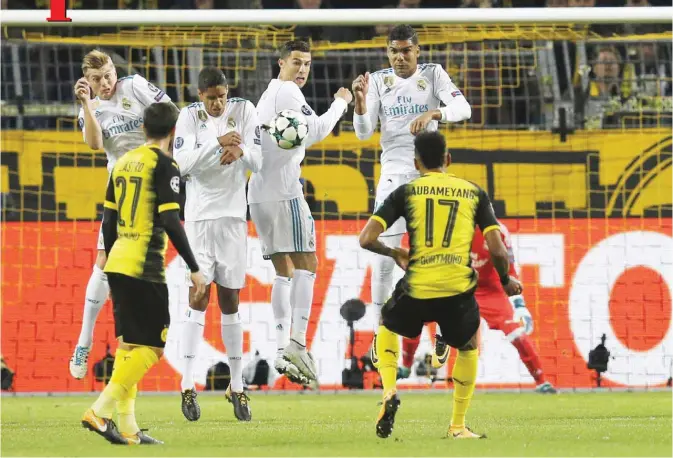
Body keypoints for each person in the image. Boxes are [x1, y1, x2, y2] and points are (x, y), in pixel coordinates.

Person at [358, 131, 522, 440]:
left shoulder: (405, 192)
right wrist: (505, 280)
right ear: (448, 160)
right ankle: (458, 426)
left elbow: (366, 238)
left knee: (386, 326)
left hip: (418, 284)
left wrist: (395, 252)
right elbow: (497, 249)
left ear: (416, 162)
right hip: (457, 289)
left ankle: (390, 391)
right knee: (469, 346)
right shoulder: (473, 193)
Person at [81, 102, 206, 445]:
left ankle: (128, 427)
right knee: (153, 346)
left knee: (129, 345)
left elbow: (107, 220)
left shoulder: (122, 163)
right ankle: (100, 410)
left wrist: (110, 259)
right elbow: (169, 219)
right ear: (173, 132)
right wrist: (194, 268)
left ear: (144, 128)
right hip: (144, 267)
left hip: (116, 262)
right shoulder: (165, 164)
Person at [352, 24, 471, 333]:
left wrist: (434, 114)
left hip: (428, 175)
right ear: (387, 52)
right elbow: (364, 133)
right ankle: (381, 332)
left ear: (417, 50)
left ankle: (448, 329)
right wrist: (361, 104)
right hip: (393, 177)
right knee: (383, 260)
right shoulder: (377, 81)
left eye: (406, 50)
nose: (400, 57)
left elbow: (463, 108)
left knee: (440, 258)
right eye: (394, 51)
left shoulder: (433, 74)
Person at [247, 40, 353, 386]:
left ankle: (280, 348)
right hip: (285, 192)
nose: (302, 69)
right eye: (296, 62)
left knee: (283, 272)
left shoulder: (269, 95)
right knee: (308, 264)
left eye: (307, 63)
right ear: (281, 63)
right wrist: (341, 102)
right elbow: (318, 131)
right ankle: (298, 344)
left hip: (259, 193)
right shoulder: (287, 93)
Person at [70, 49, 173, 380]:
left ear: (116, 71)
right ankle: (84, 341)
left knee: (142, 271)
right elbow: (94, 144)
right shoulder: (92, 106)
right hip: (121, 191)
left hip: (153, 186)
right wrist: (87, 105)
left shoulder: (135, 86)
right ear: (87, 81)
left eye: (109, 75)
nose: (105, 83)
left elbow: (172, 115)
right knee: (103, 260)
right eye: (97, 79)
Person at [173, 67, 262, 422]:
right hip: (197, 221)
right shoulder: (188, 117)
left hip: (233, 220)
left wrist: (239, 150)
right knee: (198, 296)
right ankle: (187, 385)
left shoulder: (244, 110)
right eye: (211, 97)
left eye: (222, 96)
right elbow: (180, 165)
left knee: (231, 300)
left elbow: (260, 159)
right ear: (200, 95)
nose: (218, 103)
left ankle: (238, 387)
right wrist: (217, 143)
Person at [399, 223, 557, 394]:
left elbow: (510, 269)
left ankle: (542, 382)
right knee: (414, 316)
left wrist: (520, 305)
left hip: (490, 290)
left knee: (517, 333)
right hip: (456, 288)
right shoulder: (445, 224)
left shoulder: (497, 231)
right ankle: (406, 366)